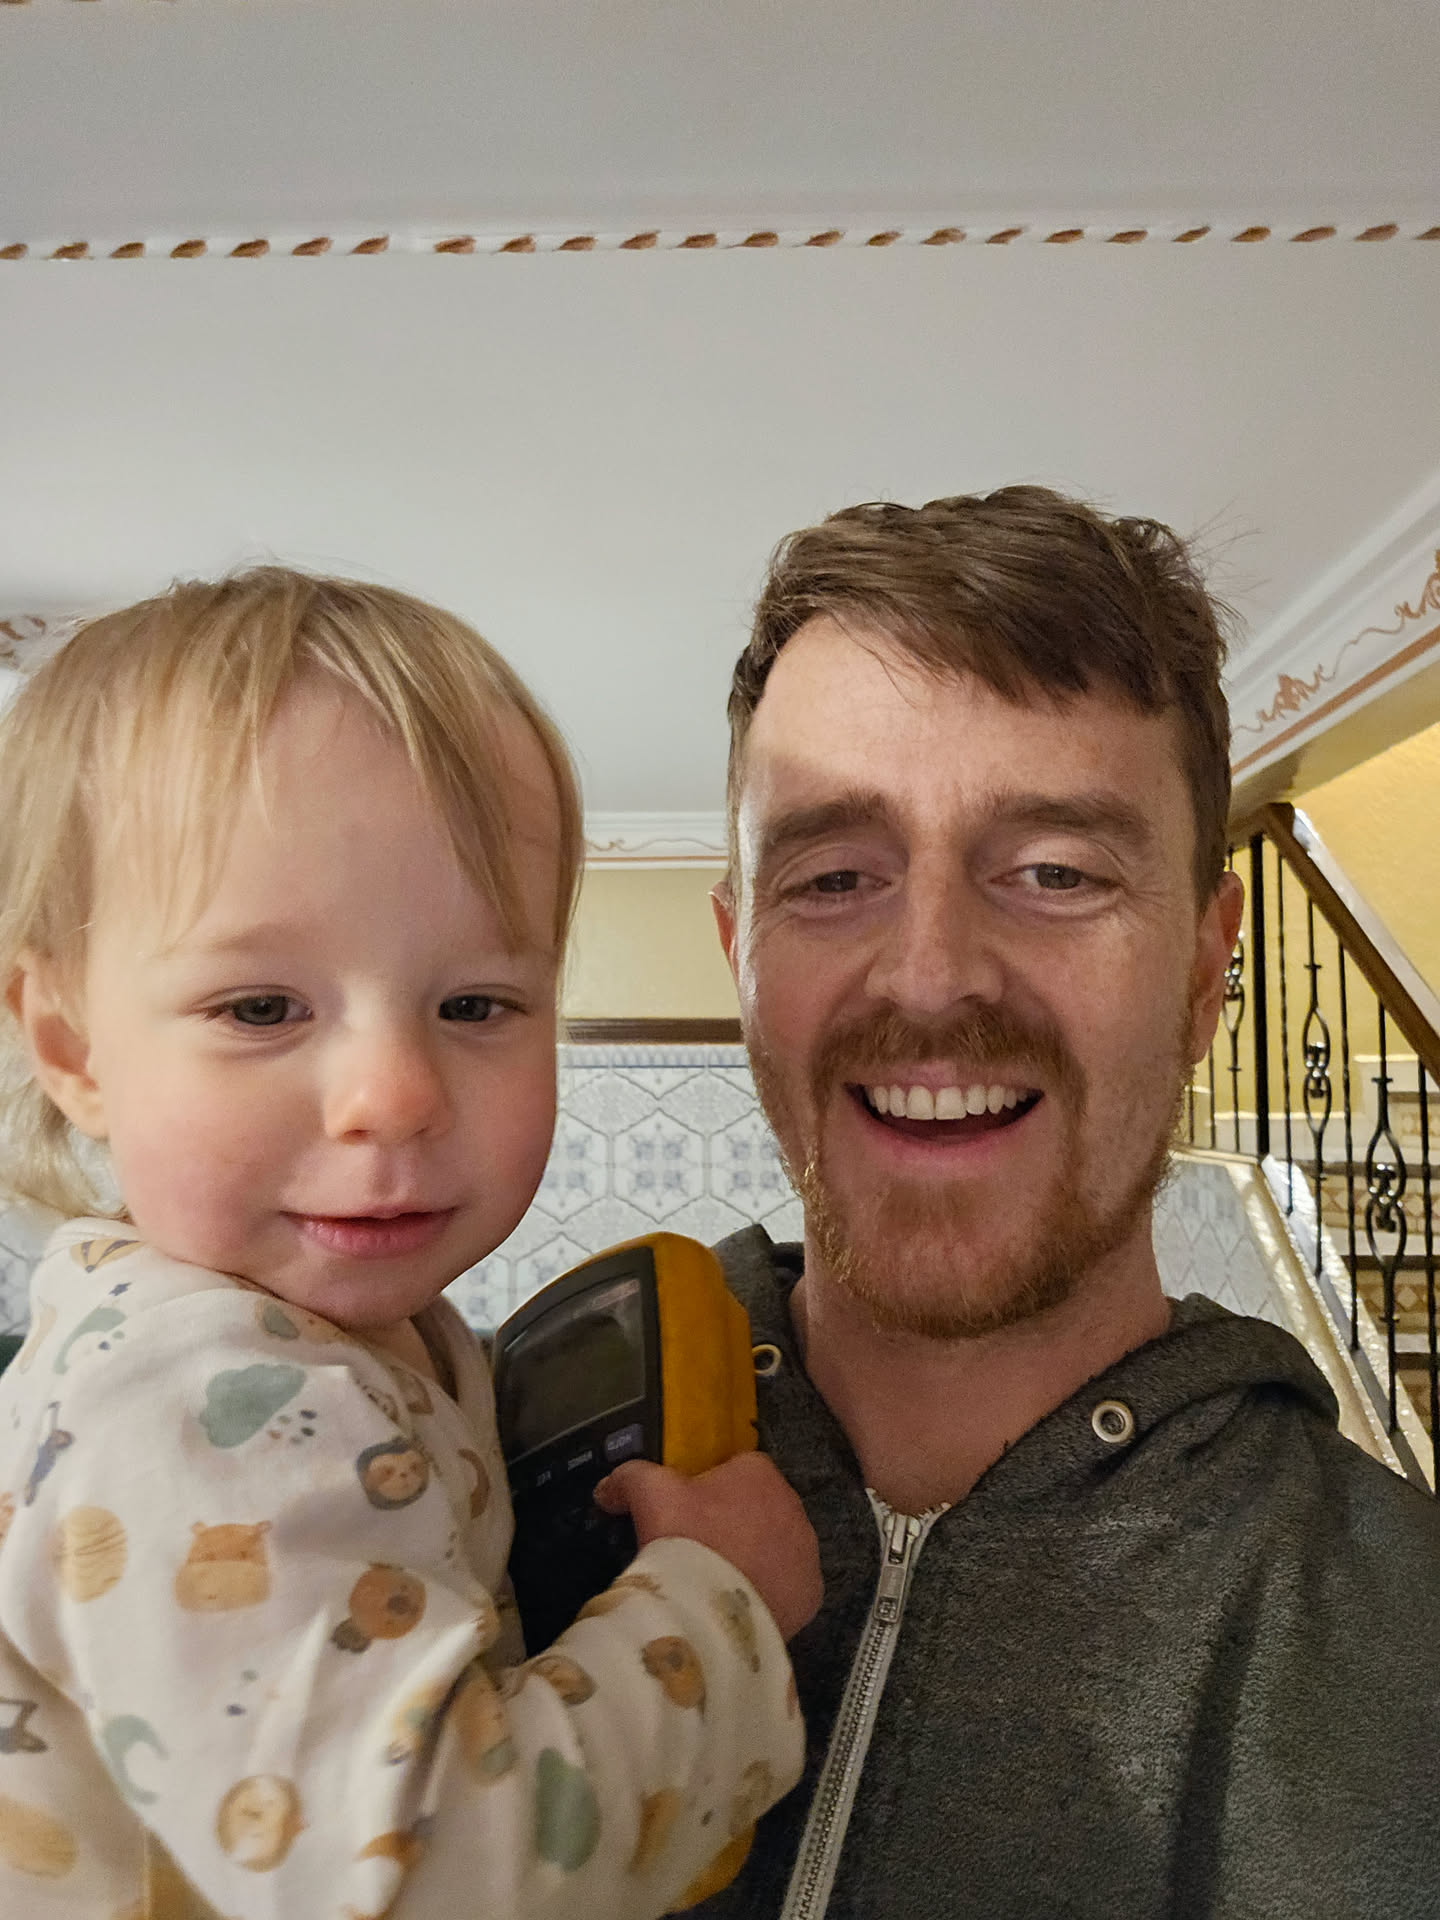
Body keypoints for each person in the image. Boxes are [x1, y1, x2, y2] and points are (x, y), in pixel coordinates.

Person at [0, 569, 820, 1918]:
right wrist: (714, 1604)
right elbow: (428, 1880)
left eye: (476, 1004)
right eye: (261, 1007)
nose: (394, 1094)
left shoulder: (351, 1343)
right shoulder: (198, 1403)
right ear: (73, 1049)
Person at [700, 488, 1440, 1918]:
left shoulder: (1407, 1652)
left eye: (1056, 872)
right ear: (742, 958)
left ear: (1206, 969)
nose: (932, 976)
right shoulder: (438, 1498)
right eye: (835, 876)